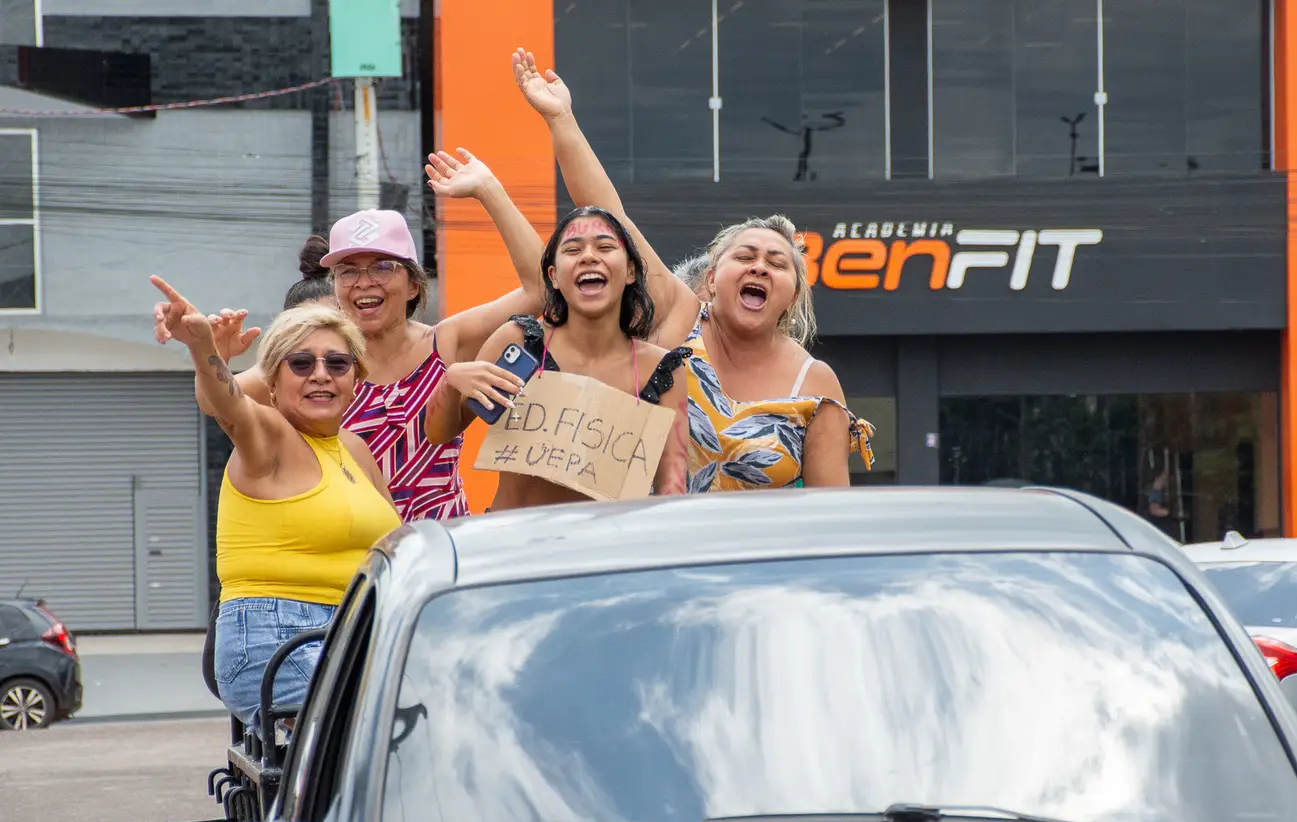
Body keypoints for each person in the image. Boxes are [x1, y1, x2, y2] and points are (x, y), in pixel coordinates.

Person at [511, 50, 873, 492]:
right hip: (647, 532)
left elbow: (830, 511)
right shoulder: (680, 318)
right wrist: (560, 119)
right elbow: (611, 219)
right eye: (745, 257)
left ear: (793, 295)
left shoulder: (815, 382)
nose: (759, 267)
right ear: (712, 280)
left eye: (777, 264)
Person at [164, 148, 544, 521]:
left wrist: (488, 189)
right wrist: (211, 353)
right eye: (348, 271)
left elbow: (539, 291)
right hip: (352, 548)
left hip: (443, 547)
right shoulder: (318, 364)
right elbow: (215, 402)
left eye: (382, 267)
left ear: (413, 285)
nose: (364, 283)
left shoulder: (445, 342)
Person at [150, 277, 401, 728]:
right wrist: (203, 348)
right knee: (381, 725)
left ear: (356, 377)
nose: (320, 374)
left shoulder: (355, 449)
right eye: (301, 363)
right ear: (272, 380)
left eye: (337, 363)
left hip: (355, 633)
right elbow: (226, 403)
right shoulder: (269, 435)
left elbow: (399, 549)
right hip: (275, 639)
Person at [426, 206, 690, 510]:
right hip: (513, 536)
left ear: (630, 271)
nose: (589, 256)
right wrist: (450, 383)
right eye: (573, 249)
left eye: (605, 247)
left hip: (614, 539)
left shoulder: (663, 370)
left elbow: (672, 489)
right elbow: (438, 433)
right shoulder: (518, 342)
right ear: (553, 276)